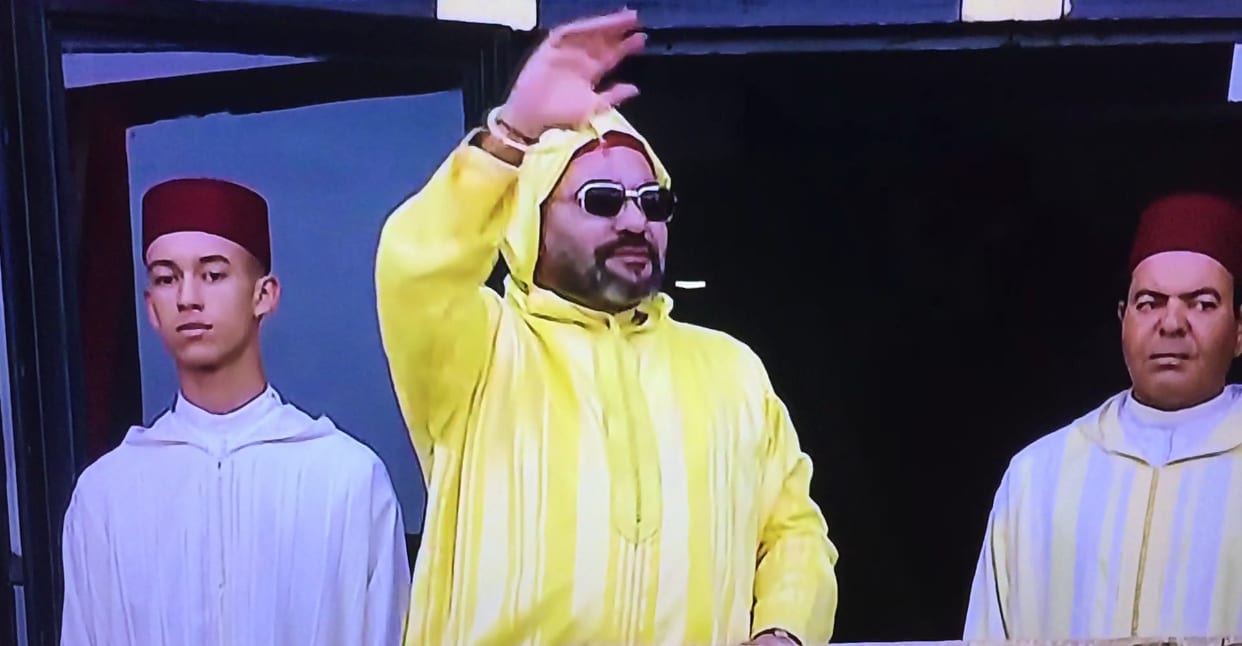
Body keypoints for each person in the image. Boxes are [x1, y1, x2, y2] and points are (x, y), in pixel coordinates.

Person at [375, 9, 837, 646]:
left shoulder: (730, 369)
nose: (634, 221)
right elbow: (415, 265)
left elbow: (793, 533)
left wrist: (784, 631)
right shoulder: (481, 348)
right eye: (601, 201)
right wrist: (513, 133)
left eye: (653, 202)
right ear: (531, 222)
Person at [60, 177, 410, 646]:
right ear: (151, 308)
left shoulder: (346, 480)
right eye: (166, 278)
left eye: (213, 274)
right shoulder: (106, 496)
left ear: (264, 295)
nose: (187, 297)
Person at [965, 191, 1242, 640]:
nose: (1172, 323)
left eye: (1202, 303)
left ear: (1239, 330)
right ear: (1122, 320)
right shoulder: (1039, 478)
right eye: (1149, 302)